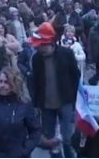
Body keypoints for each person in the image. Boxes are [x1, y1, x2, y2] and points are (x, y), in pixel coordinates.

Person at [28, 22, 80, 158]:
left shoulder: (66, 54)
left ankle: (69, 156)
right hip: (46, 104)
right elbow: (34, 81)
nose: (36, 47)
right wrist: (36, 103)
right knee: (49, 138)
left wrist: (74, 98)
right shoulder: (36, 58)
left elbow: (76, 75)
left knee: (67, 135)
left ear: (47, 43)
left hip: (66, 101)